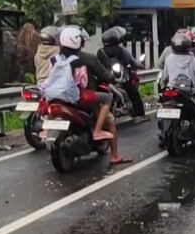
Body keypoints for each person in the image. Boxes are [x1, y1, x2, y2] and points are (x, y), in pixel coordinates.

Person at [50, 28, 132, 164]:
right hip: (83, 100)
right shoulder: (88, 58)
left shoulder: (54, 59)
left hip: (59, 98)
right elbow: (105, 75)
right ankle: (114, 154)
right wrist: (111, 78)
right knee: (110, 121)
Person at [159, 33, 195, 130]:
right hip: (189, 91)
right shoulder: (192, 59)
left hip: (172, 89)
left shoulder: (169, 59)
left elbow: (165, 76)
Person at [97, 26, 147, 120]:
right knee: (133, 92)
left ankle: (138, 113)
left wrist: (137, 65)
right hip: (111, 76)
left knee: (132, 91)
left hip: (114, 75)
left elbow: (131, 61)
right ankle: (140, 114)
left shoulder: (106, 51)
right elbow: (132, 61)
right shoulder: (113, 50)